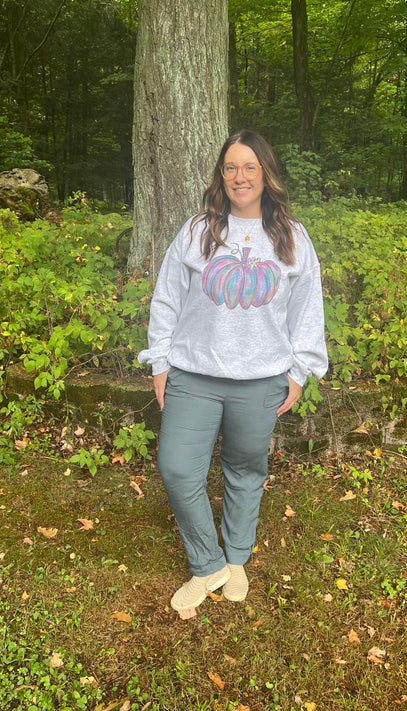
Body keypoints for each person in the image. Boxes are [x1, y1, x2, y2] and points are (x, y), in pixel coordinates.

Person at [138, 130, 328, 614]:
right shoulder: (200, 230)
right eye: (230, 167)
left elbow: (308, 311)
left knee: (245, 470)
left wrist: (299, 371)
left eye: (249, 167)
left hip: (261, 379)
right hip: (194, 374)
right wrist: (160, 362)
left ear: (265, 173)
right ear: (220, 176)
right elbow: (166, 298)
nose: (239, 176)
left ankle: (237, 557)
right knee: (178, 468)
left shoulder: (291, 237)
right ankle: (208, 562)